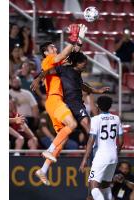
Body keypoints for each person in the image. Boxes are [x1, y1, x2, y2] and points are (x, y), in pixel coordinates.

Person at [31, 50, 109, 185]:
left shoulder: (77, 74)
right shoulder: (64, 69)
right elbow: (47, 71)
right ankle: (99, 149)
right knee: (88, 125)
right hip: (71, 103)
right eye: (83, 63)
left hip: (75, 104)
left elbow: (84, 86)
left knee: (62, 140)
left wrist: (97, 91)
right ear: (76, 63)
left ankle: (43, 169)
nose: (85, 65)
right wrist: (38, 79)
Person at [29, 24, 88, 185]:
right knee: (73, 124)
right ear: (45, 52)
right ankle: (48, 150)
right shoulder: (48, 60)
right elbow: (63, 53)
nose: (54, 47)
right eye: (51, 47)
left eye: (54, 46)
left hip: (55, 102)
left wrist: (80, 36)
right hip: (54, 99)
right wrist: (73, 38)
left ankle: (43, 170)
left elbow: (72, 54)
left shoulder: (58, 65)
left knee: (63, 137)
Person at [79, 96, 124, 200]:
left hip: (101, 156)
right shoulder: (116, 118)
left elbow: (91, 140)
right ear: (110, 106)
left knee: (93, 185)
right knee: (105, 186)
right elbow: (121, 142)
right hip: (113, 157)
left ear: (97, 106)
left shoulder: (95, 119)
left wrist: (84, 159)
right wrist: (115, 153)